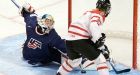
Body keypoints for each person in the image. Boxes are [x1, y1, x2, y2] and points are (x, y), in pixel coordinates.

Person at [56, 0, 111, 75]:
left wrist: (99, 45)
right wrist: (99, 43)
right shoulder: (98, 14)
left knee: (74, 61)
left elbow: (87, 31)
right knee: (100, 60)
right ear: (108, 9)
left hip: (69, 40)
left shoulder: (88, 12)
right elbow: (93, 26)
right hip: (80, 40)